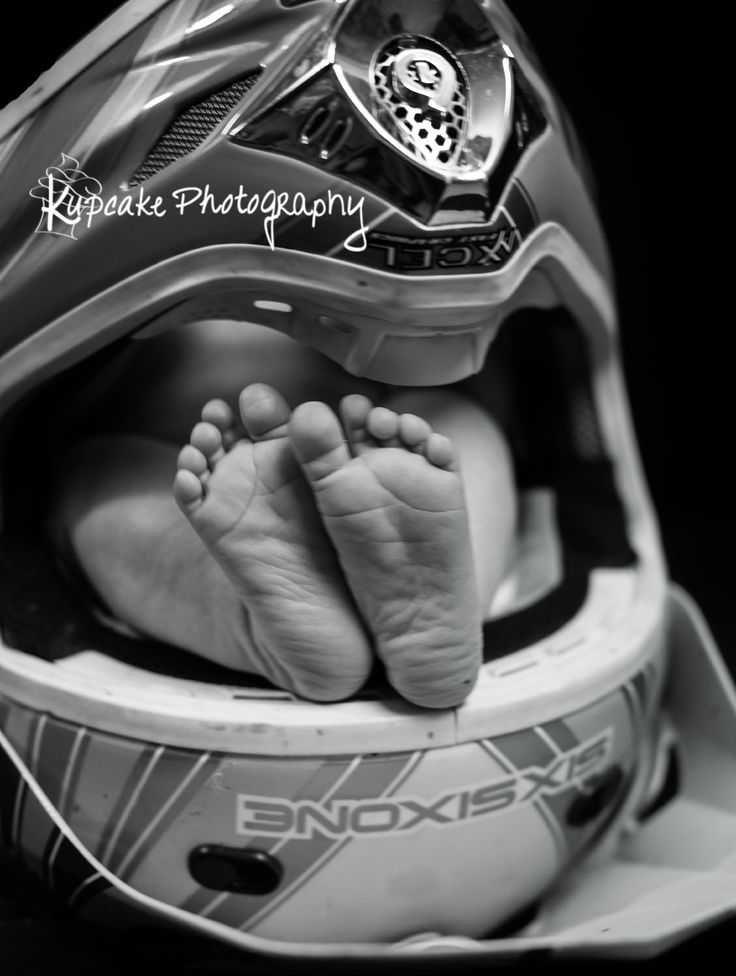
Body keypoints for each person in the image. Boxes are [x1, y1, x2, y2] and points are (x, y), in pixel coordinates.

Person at [48, 317, 516, 709]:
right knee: (454, 421)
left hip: (196, 442)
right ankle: (440, 601)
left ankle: (243, 613)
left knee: (96, 479)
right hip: (347, 431)